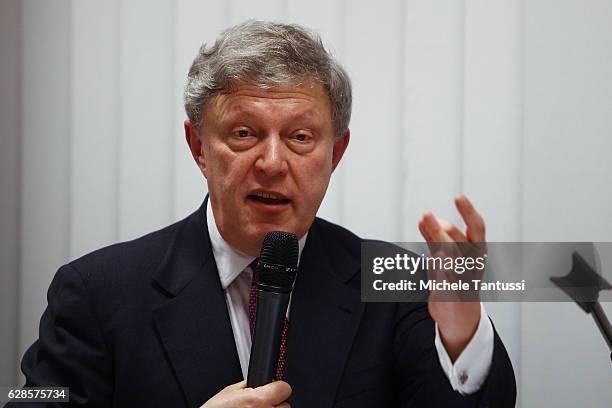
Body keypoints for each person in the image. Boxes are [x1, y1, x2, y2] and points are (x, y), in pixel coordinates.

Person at [11, 21, 515, 407]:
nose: (272, 164)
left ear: (335, 153)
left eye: (299, 137)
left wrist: (460, 334)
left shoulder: (399, 285)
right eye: (244, 134)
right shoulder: (96, 292)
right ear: (198, 147)